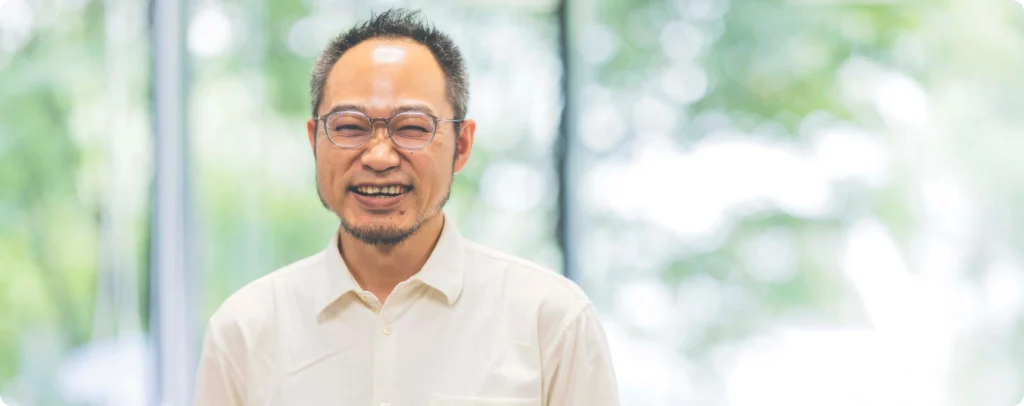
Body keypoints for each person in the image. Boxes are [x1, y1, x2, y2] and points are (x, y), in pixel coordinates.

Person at [194, 8, 619, 406]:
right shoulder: (244, 332)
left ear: (462, 145)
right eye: (349, 126)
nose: (379, 157)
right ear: (314, 140)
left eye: (413, 127)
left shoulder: (551, 321)